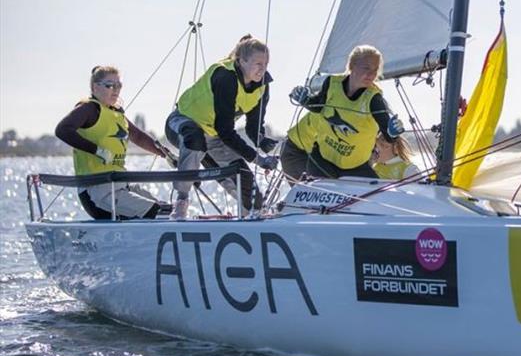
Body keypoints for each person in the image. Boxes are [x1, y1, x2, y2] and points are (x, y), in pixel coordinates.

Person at [165, 34, 279, 219]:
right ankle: (181, 201)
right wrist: (257, 159)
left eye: (266, 64)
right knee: (195, 139)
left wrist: (262, 140)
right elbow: (226, 131)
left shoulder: (262, 86)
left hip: (213, 137)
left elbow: (253, 126)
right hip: (181, 123)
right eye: (258, 64)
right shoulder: (225, 76)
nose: (263, 69)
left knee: (251, 195)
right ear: (242, 61)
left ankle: (249, 219)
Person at [55, 65, 167, 220]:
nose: (115, 90)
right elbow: (62, 130)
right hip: (97, 191)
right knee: (155, 211)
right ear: (95, 87)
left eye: (118, 85)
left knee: (167, 210)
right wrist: (97, 150)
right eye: (109, 85)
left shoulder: (116, 113)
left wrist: (165, 154)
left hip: (120, 185)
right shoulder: (89, 108)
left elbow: (138, 137)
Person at [288, 45, 404, 179]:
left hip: (355, 168)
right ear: (352, 65)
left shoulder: (374, 98)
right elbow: (318, 106)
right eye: (366, 68)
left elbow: (388, 133)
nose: (371, 74)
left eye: (375, 70)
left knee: (375, 195)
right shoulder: (332, 83)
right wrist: (305, 100)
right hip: (322, 161)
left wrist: (393, 132)